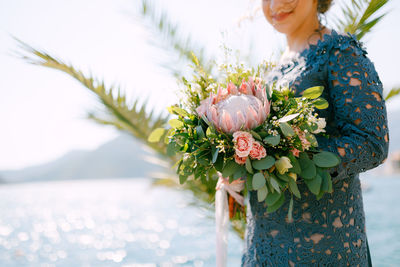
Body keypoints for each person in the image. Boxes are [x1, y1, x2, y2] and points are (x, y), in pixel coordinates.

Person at [241, 0, 390, 266]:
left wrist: (289, 161)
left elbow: (372, 143)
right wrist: (238, 165)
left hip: (323, 246)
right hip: (262, 247)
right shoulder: (272, 69)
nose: (275, 4)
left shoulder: (341, 51)